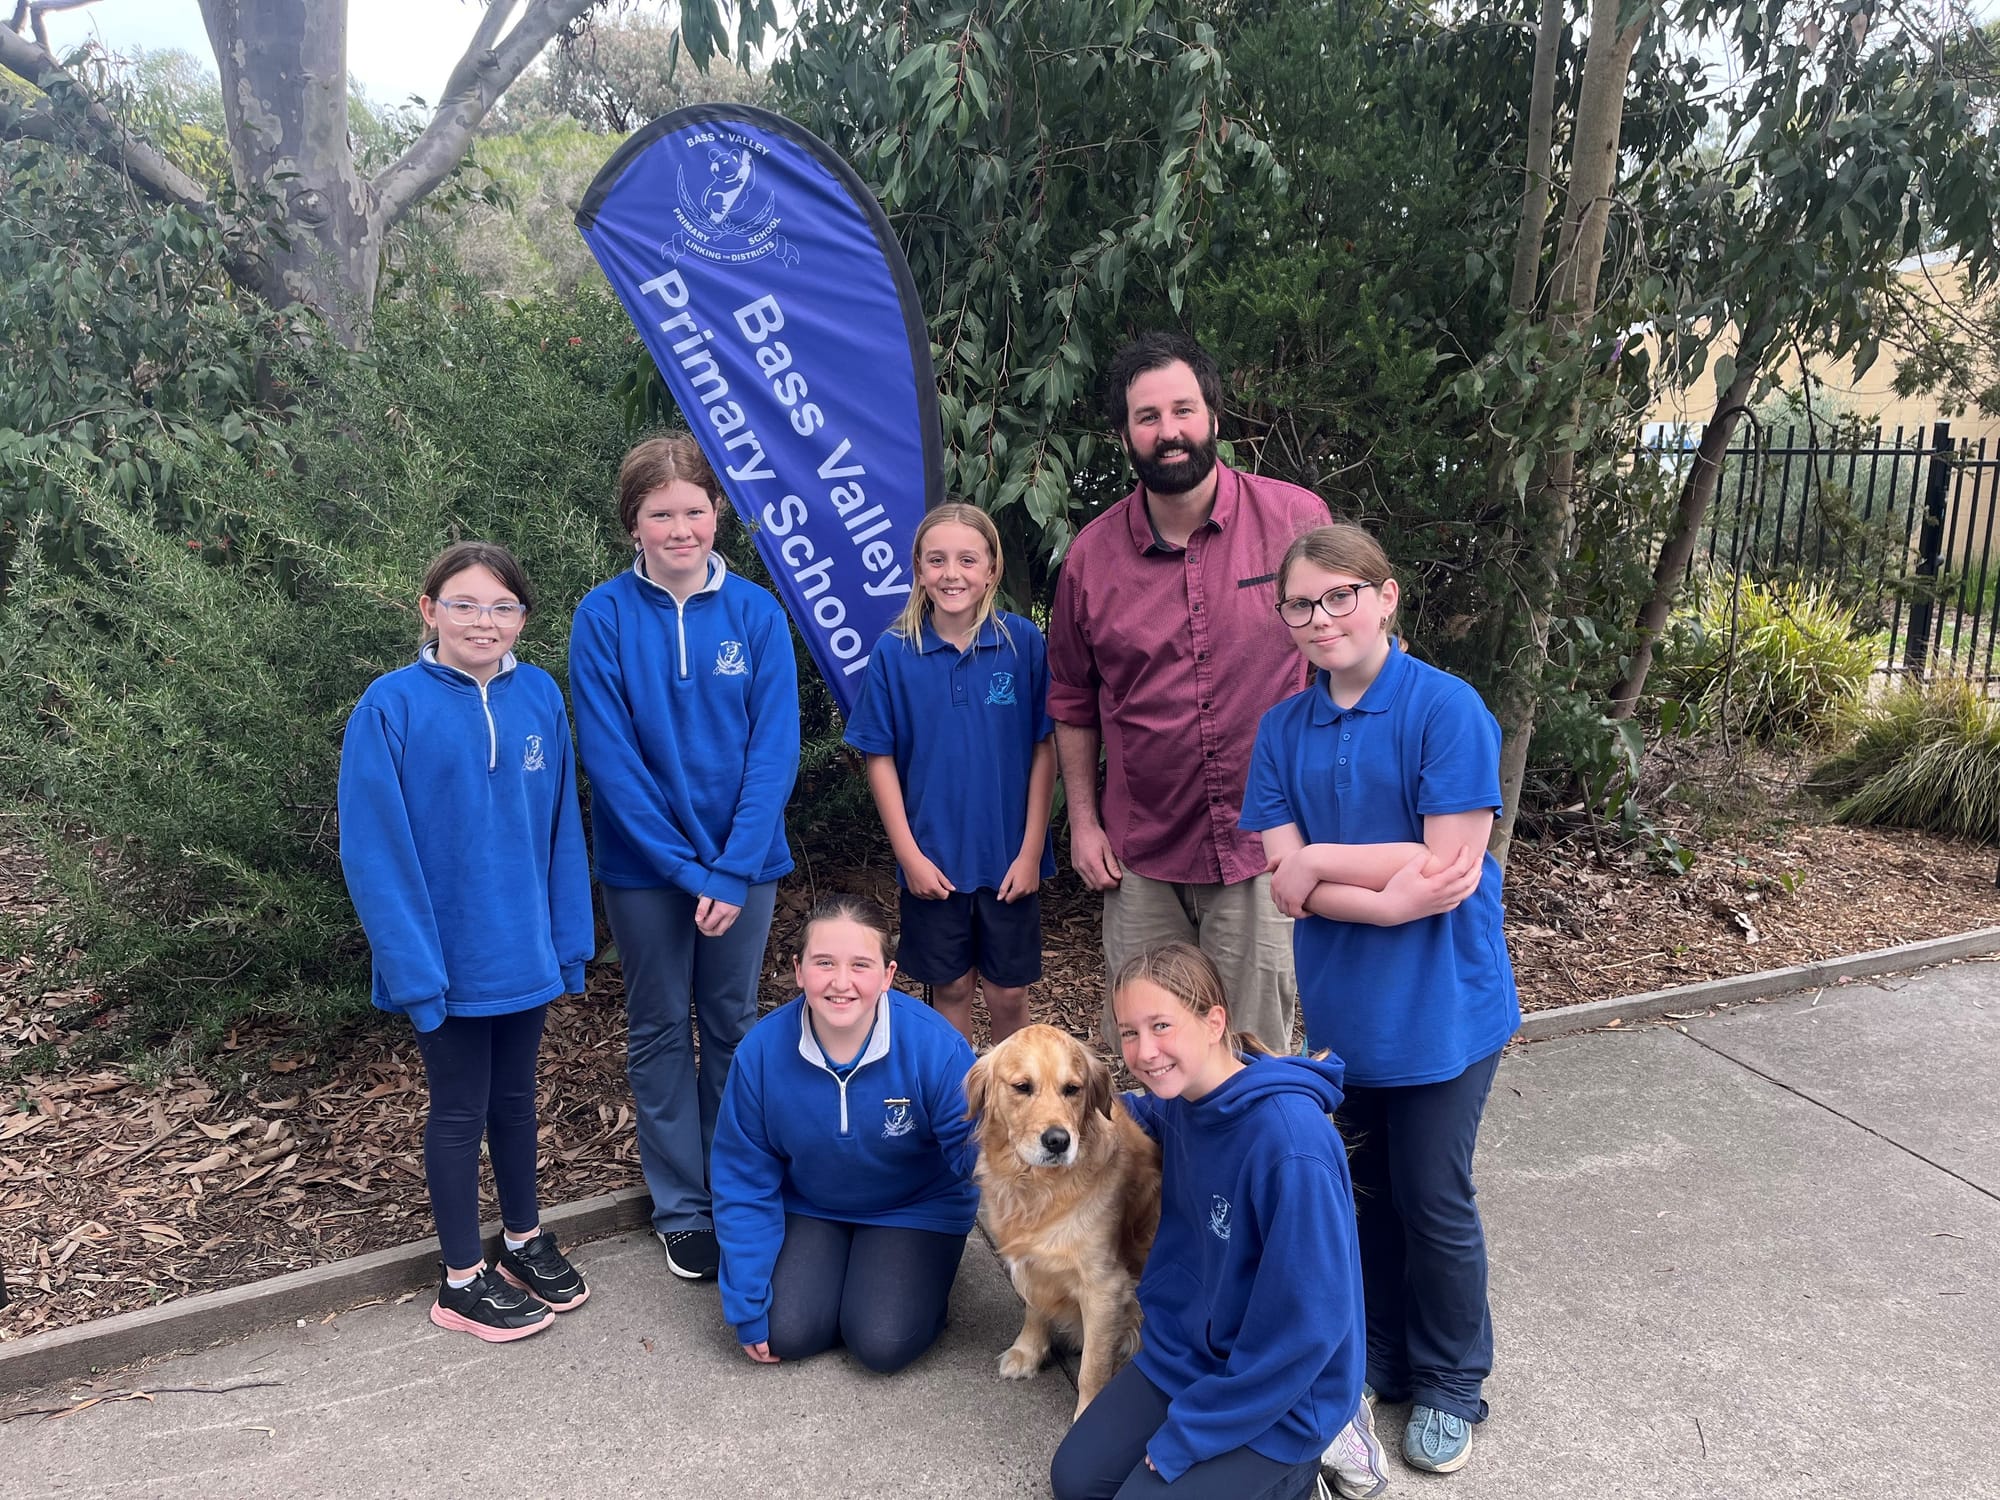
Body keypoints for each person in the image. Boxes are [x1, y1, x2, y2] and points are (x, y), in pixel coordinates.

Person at [1241, 522, 1521, 1477]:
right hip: (1346, 1014)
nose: (1320, 619)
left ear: (1386, 595)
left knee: (1432, 1198)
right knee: (1363, 1200)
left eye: (1339, 597)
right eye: (1300, 605)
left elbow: (1451, 871)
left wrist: (1323, 864)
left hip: (1445, 1011)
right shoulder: (1282, 730)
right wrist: (1379, 885)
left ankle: (1451, 1380)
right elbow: (1285, 882)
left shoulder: (1448, 711)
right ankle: (1382, 1356)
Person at [337, 541, 595, 1342]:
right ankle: (460, 1279)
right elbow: (373, 851)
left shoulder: (541, 696)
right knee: (458, 1112)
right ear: (429, 611)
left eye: (503, 607)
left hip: (524, 951)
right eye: (465, 604)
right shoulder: (390, 706)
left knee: (516, 1102)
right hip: (444, 964)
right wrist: (414, 970)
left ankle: (521, 1241)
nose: (485, 621)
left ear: (522, 618)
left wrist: (566, 941)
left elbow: (560, 831)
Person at [1047, 330, 1330, 1055]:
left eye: (1183, 410)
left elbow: (1348, 662)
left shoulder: (1297, 524)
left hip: (1262, 845)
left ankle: (1263, 1174)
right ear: (1124, 435)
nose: (1168, 431)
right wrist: (1082, 822)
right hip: (1141, 855)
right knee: (1156, 1059)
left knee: (1258, 1058)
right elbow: (1073, 699)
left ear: (1212, 416)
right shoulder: (1091, 558)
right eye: (1148, 417)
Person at [569, 432, 801, 1284]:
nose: (679, 528)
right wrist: (689, 871)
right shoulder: (603, 616)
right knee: (660, 1027)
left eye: (694, 511)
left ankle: (736, 1189)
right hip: (645, 873)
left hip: (745, 867)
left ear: (719, 515)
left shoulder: (757, 614)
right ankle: (682, 1207)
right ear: (633, 522)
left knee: (733, 1027)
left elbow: (773, 751)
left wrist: (733, 868)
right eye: (660, 513)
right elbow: (612, 761)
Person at [1050, 942, 1364, 1500]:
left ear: (1214, 1020)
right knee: (1075, 1480)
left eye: (1161, 1025)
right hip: (1187, 1356)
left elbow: (1307, 1329)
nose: (1144, 1051)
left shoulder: (1290, 1149)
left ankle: (1301, 1474)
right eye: (1128, 1032)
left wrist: (1188, 1437)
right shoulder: (1183, 1102)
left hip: (1279, 1389)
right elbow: (1131, 1113)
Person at [711, 896, 979, 1373]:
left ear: (888, 975)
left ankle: (903, 1289)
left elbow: (979, 1153)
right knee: (784, 1331)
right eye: (824, 963)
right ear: (798, 970)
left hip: (915, 1207)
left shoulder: (934, 1047)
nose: (841, 982)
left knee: (880, 1343)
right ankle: (847, 1279)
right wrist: (746, 1303)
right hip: (812, 1204)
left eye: (860, 965)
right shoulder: (761, 1053)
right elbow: (743, 1178)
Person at [843, 502, 1056, 1048]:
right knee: (951, 989)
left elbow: (1043, 747)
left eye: (967, 559)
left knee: (1008, 994)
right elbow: (880, 757)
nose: (951, 573)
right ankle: (956, 1118)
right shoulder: (894, 652)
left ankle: (1018, 1117)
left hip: (1008, 859)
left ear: (992, 570)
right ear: (917, 568)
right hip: (933, 862)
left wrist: (1032, 851)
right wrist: (909, 856)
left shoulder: (1022, 643)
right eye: (936, 560)